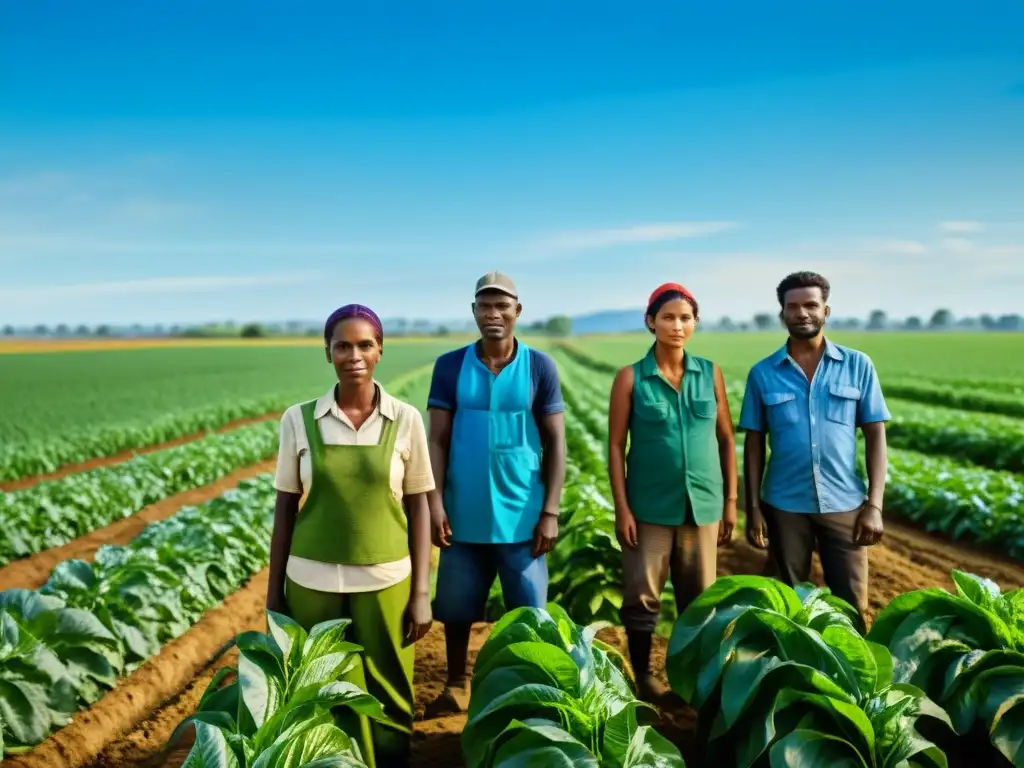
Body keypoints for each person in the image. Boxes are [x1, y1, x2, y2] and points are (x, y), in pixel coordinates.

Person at [267, 304, 434, 768]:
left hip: (387, 580)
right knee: (315, 689)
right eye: (343, 345)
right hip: (310, 581)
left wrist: (421, 591)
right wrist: (273, 594)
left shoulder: (405, 420)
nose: (354, 355)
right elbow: (285, 508)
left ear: (380, 351)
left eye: (365, 345)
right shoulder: (298, 420)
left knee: (390, 692)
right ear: (327, 353)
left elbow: (418, 505)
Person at [423, 271, 567, 715]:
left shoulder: (539, 366)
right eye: (485, 306)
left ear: (517, 312)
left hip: (522, 511)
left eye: (502, 306)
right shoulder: (450, 365)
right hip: (463, 510)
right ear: (474, 312)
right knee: (457, 605)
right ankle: (456, 683)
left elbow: (556, 442)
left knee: (528, 608)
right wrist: (434, 502)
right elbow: (437, 440)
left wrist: (550, 511)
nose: (493, 314)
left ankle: (528, 686)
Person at [606, 282, 738, 702]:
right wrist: (623, 508)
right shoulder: (630, 378)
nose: (677, 325)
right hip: (649, 508)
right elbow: (615, 446)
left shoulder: (709, 373)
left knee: (699, 600)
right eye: (668, 317)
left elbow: (725, 438)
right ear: (651, 322)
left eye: (685, 318)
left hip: (703, 504)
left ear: (694, 323)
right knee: (642, 596)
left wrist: (731, 501)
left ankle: (693, 680)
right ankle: (644, 676)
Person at [738, 271, 889, 623]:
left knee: (852, 604)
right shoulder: (763, 373)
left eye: (811, 305)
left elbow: (875, 436)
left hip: (845, 503)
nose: (802, 313)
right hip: (784, 505)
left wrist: (875, 505)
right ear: (783, 314)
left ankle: (850, 671)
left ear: (826, 310)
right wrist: (754, 508)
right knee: (787, 602)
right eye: (793, 307)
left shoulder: (858, 365)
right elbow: (754, 443)